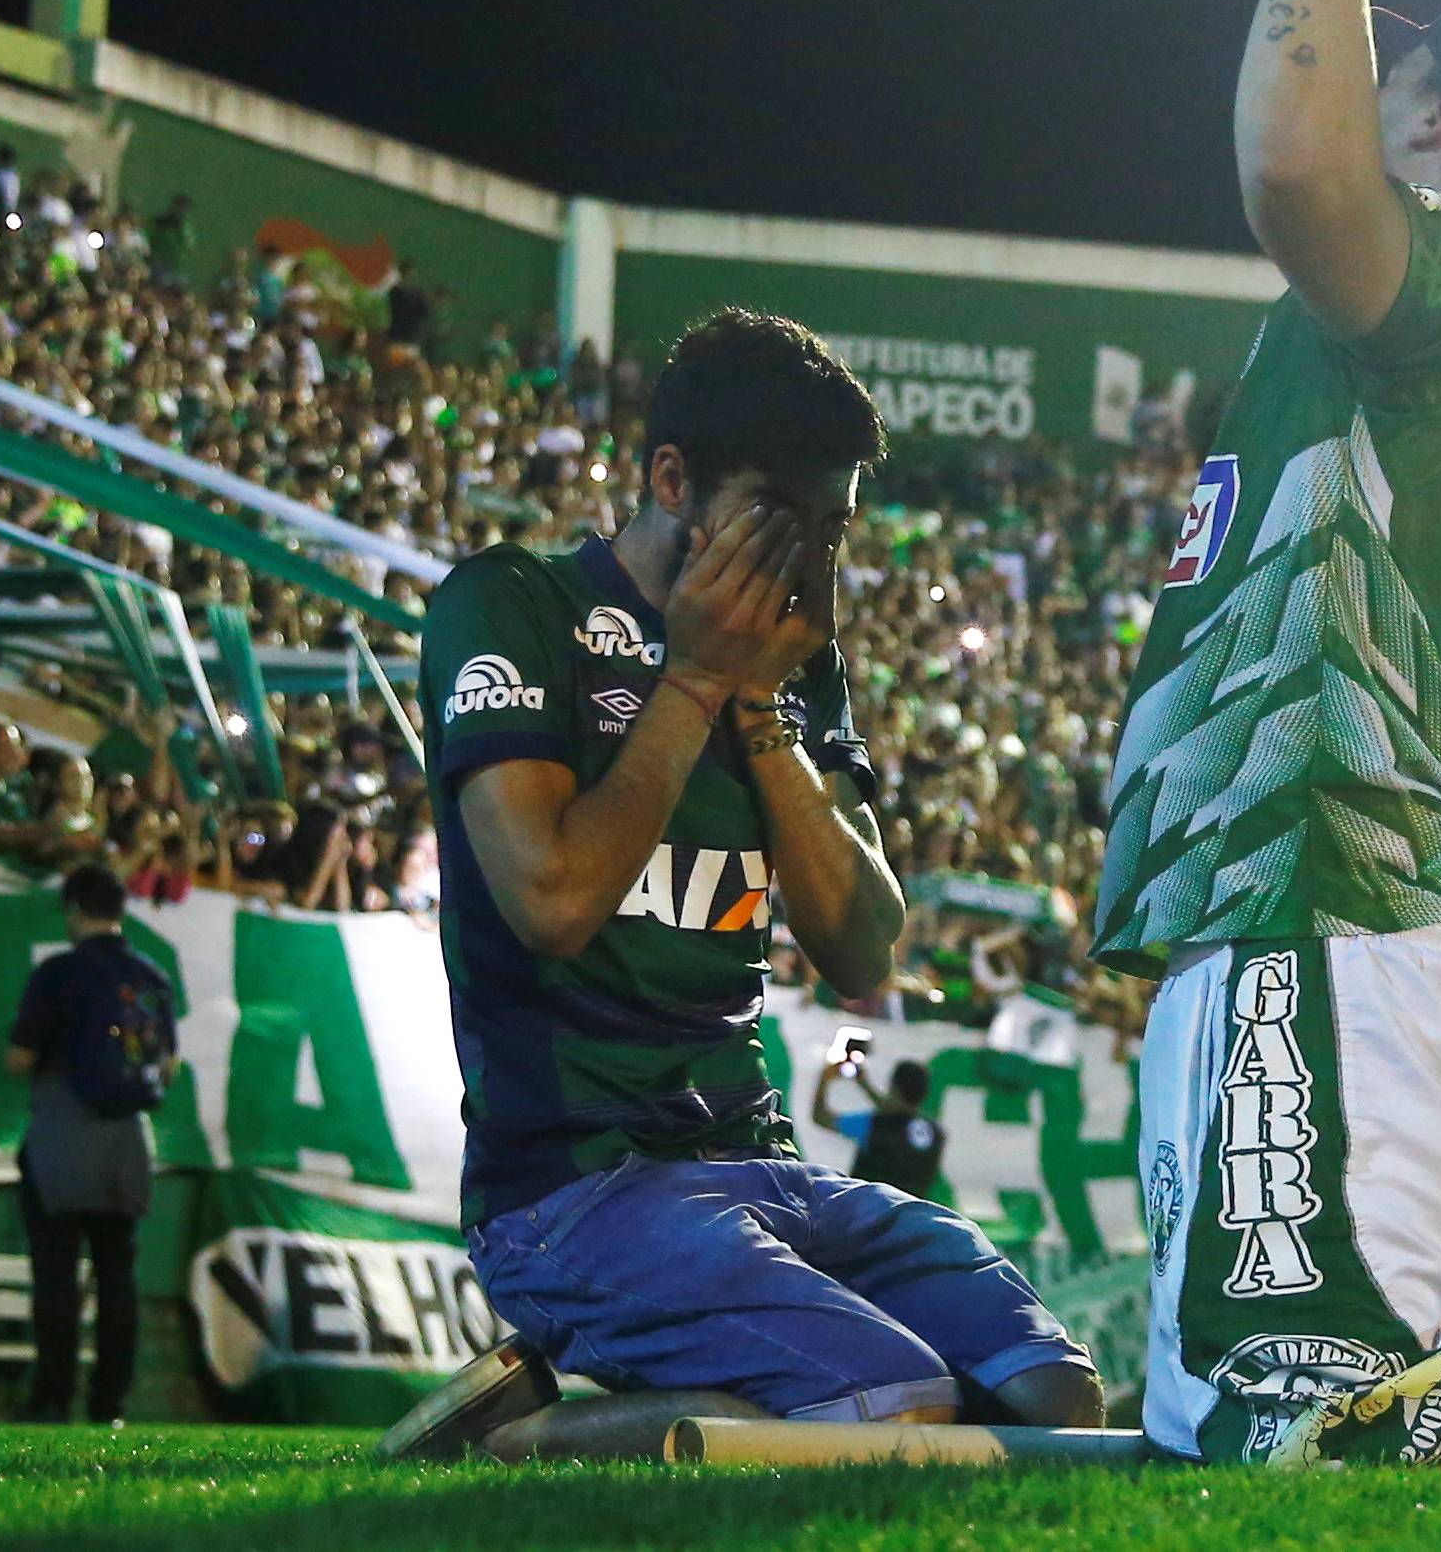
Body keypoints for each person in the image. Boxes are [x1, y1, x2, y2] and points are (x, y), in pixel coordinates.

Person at [387, 311, 1100, 1461]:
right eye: (782, 519)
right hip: (572, 1189)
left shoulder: (799, 662)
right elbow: (553, 902)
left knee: (1052, 1400)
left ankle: (606, 1425)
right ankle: (517, 1447)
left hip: (761, 1160)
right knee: (898, 1415)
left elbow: (864, 947)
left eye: (835, 529)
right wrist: (698, 680)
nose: (812, 563)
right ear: (673, 478)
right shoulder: (514, 603)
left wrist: (759, 704)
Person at [1093, 0, 1441, 1466]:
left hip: (1337, 922)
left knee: (1312, 1447)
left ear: (1435, 120)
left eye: (1391, 65)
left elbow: (1295, 168)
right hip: (1378, 936)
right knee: (1237, 1446)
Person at [6, 863, 178, 1426]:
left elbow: (21, 1057)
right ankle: (111, 1403)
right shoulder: (151, 977)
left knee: (56, 1274)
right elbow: (168, 1066)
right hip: (128, 1142)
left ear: (75, 909)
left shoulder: (58, 974)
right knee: (117, 1276)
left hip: (62, 1132)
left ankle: (52, 1397)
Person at [813, 1048, 946, 1199]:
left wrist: (824, 1079)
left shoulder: (873, 1124)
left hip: (868, 1212)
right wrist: (864, 1084)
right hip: (912, 1215)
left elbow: (821, 1117)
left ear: (893, 1087)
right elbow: (898, 1111)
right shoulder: (936, 1132)